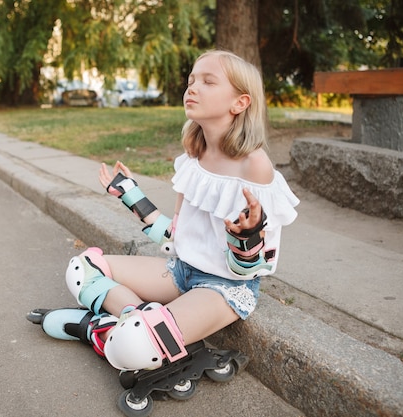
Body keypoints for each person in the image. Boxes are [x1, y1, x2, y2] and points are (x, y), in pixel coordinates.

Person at [27, 50, 299, 372]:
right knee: (82, 268)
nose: (192, 88)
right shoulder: (193, 157)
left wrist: (245, 237)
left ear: (239, 102)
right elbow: (176, 238)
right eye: (191, 80)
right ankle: (135, 321)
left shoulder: (254, 166)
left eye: (208, 82)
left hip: (226, 286)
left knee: (132, 347)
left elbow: (251, 268)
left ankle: (99, 329)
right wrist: (131, 196)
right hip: (182, 272)